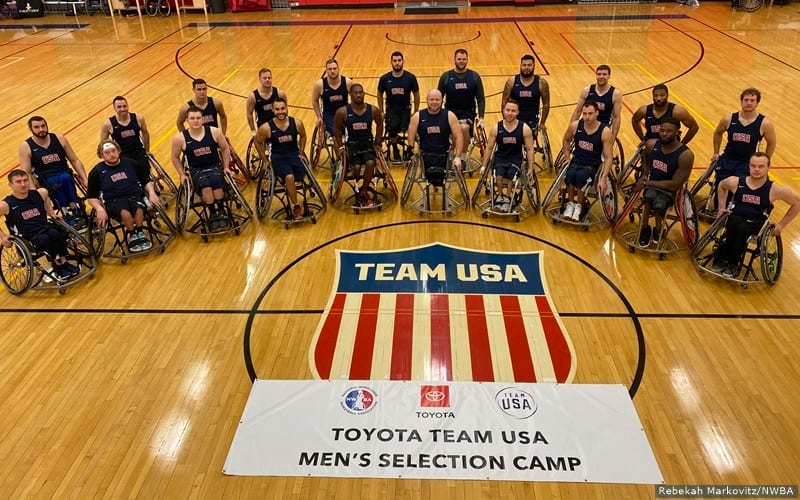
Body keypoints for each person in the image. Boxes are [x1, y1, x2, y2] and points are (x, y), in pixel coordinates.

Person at [712, 152, 800, 278]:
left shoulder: (775, 190)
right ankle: (722, 257)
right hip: (737, 215)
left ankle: (733, 262)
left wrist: (781, 225)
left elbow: (797, 203)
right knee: (733, 223)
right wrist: (721, 207)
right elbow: (721, 186)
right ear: (749, 166)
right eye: (753, 166)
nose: (756, 169)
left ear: (768, 168)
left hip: (756, 221)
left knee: (742, 228)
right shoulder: (736, 181)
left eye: (761, 166)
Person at [0, 169, 80, 280]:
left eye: (25, 180)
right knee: (44, 239)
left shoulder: (39, 193)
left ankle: (64, 262)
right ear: (10, 185)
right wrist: (3, 236)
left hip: (44, 227)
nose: (23, 184)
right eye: (18, 182)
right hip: (28, 236)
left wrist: (51, 213)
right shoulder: (6, 204)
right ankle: (57, 265)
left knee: (56, 233)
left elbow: (46, 198)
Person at [86, 140, 162, 253]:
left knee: (139, 209)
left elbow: (146, 181)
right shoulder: (96, 172)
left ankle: (140, 233)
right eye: (107, 152)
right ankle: (132, 234)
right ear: (102, 155)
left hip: (134, 196)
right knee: (124, 212)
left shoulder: (131, 163)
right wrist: (99, 208)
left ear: (118, 151)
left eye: (113, 151)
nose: (112, 154)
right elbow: (91, 196)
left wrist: (152, 193)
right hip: (114, 201)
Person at [634, 118, 695, 247]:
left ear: (678, 133)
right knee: (648, 197)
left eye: (669, 131)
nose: (664, 134)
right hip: (652, 185)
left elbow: (674, 185)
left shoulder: (685, 155)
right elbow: (644, 158)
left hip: (670, 190)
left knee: (659, 204)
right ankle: (645, 228)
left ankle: (658, 229)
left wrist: (648, 183)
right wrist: (644, 175)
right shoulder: (651, 145)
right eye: (662, 130)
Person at [170, 107, 232, 231]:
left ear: (202, 119)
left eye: (198, 118)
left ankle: (221, 210)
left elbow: (225, 149)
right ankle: (212, 213)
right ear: (187, 120)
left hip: (214, 166)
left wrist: (226, 167)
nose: (196, 121)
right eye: (192, 118)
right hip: (196, 170)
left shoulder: (215, 132)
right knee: (206, 186)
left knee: (217, 182)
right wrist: (182, 174)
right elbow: (175, 157)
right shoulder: (180, 138)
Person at [18, 116, 88, 222]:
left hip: (64, 172)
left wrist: (85, 179)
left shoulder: (59, 139)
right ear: (30, 129)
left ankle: (74, 206)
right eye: (36, 127)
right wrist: (34, 192)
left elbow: (75, 160)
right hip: (45, 178)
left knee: (66, 177)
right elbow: (26, 172)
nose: (41, 129)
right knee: (55, 182)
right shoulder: (26, 146)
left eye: (43, 126)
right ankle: (64, 209)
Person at [253, 98, 308, 220]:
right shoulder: (266, 128)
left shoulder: (297, 123)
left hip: (294, 155)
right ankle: (295, 205)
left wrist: (302, 151)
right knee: (289, 177)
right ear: (272, 110)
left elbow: (303, 136)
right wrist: (265, 160)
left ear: (287, 108)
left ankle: (291, 194)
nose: (280, 112)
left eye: (283, 108)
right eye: (277, 109)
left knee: (297, 176)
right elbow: (257, 142)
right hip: (279, 158)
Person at [560, 101, 614, 222]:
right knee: (570, 175)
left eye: (590, 114)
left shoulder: (605, 131)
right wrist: (567, 157)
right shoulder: (575, 126)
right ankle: (570, 204)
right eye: (584, 114)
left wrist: (604, 178)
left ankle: (579, 206)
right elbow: (566, 140)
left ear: (597, 113)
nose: (587, 117)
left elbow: (608, 156)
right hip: (577, 161)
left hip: (592, 165)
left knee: (581, 176)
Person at [480, 99, 536, 213]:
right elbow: (489, 148)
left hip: (516, 158)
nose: (510, 113)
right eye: (508, 110)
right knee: (498, 173)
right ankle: (500, 195)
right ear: (503, 111)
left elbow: (530, 149)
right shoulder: (496, 128)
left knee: (511, 174)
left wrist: (530, 168)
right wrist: (484, 165)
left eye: (513, 111)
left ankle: (508, 197)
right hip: (500, 156)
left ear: (518, 112)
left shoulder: (524, 128)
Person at [334, 84, 384, 207]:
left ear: (363, 94)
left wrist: (377, 142)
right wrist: (340, 147)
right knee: (356, 167)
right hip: (352, 144)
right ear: (350, 95)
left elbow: (380, 125)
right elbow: (337, 129)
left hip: (367, 143)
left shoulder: (373, 110)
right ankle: (357, 186)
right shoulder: (343, 112)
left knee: (371, 163)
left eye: (360, 92)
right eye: (355, 93)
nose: (358, 95)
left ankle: (364, 190)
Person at [711, 88, 776, 181]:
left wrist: (766, 160)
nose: (749, 103)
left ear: (757, 103)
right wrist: (716, 152)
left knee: (740, 189)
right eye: (746, 100)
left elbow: (771, 143)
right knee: (721, 186)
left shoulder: (765, 124)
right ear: (741, 101)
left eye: (752, 100)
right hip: (728, 158)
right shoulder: (728, 119)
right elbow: (717, 133)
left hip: (748, 162)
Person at [437, 48, 485, 163]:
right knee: (455, 129)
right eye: (459, 59)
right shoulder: (446, 77)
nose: (461, 61)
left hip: (468, 112)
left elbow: (480, 99)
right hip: (450, 113)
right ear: (454, 60)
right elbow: (439, 97)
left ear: (467, 60)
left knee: (463, 128)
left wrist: (482, 117)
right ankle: (453, 153)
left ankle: (460, 156)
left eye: (464, 59)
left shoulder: (474, 76)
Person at [406, 89, 464, 185]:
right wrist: (411, 153)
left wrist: (458, 157)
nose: (434, 102)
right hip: (425, 156)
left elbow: (459, 136)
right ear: (427, 100)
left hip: (444, 156)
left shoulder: (449, 115)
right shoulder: (417, 116)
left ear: (442, 101)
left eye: (437, 100)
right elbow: (411, 137)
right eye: (432, 99)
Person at [377, 51, 420, 159]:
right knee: (392, 126)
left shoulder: (410, 78)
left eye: (399, 61)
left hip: (405, 110)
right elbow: (379, 94)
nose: (397, 63)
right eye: (395, 61)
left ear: (403, 62)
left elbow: (416, 94)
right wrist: (381, 111)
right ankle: (395, 147)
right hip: (391, 110)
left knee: (410, 128)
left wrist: (415, 111)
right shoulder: (385, 79)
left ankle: (409, 149)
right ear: (391, 62)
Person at [631, 84, 699, 145]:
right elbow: (634, 120)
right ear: (653, 96)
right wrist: (642, 139)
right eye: (656, 95)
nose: (658, 98)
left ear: (667, 95)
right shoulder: (644, 110)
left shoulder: (677, 111)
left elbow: (694, 127)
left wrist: (682, 144)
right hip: (651, 145)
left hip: (671, 146)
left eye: (662, 95)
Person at [99, 96, 151, 173]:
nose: (122, 109)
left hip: (138, 151)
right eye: (119, 107)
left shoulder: (138, 118)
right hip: (122, 155)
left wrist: (147, 150)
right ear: (114, 108)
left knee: (145, 170)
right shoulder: (108, 124)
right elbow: (103, 144)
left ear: (128, 106)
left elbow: (145, 133)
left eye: (124, 106)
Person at [570, 65, 623, 139]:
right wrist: (571, 130)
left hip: (603, 127)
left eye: (604, 74)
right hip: (586, 123)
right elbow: (577, 111)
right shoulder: (587, 90)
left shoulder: (615, 94)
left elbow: (616, 118)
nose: (601, 76)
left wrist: (612, 138)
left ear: (609, 76)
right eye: (599, 74)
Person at [501, 54, 550, 134]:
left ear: (534, 66)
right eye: (524, 65)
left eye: (529, 65)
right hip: (514, 118)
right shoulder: (511, 81)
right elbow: (504, 102)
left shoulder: (541, 83)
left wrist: (542, 123)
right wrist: (506, 119)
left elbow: (546, 104)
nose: (526, 67)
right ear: (520, 66)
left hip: (531, 120)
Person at [311, 59, 354, 138]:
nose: (332, 71)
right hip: (329, 114)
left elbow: (354, 99)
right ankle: (339, 150)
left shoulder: (348, 82)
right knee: (335, 132)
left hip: (344, 113)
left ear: (338, 69)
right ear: (326, 70)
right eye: (330, 69)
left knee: (354, 129)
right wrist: (319, 117)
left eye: (334, 68)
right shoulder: (320, 85)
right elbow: (314, 100)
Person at [245, 68, 288, 136]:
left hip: (278, 126)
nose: (267, 80)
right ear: (260, 79)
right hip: (263, 128)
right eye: (264, 78)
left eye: (269, 78)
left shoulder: (280, 94)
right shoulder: (253, 97)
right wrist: (253, 131)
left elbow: (285, 110)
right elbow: (249, 114)